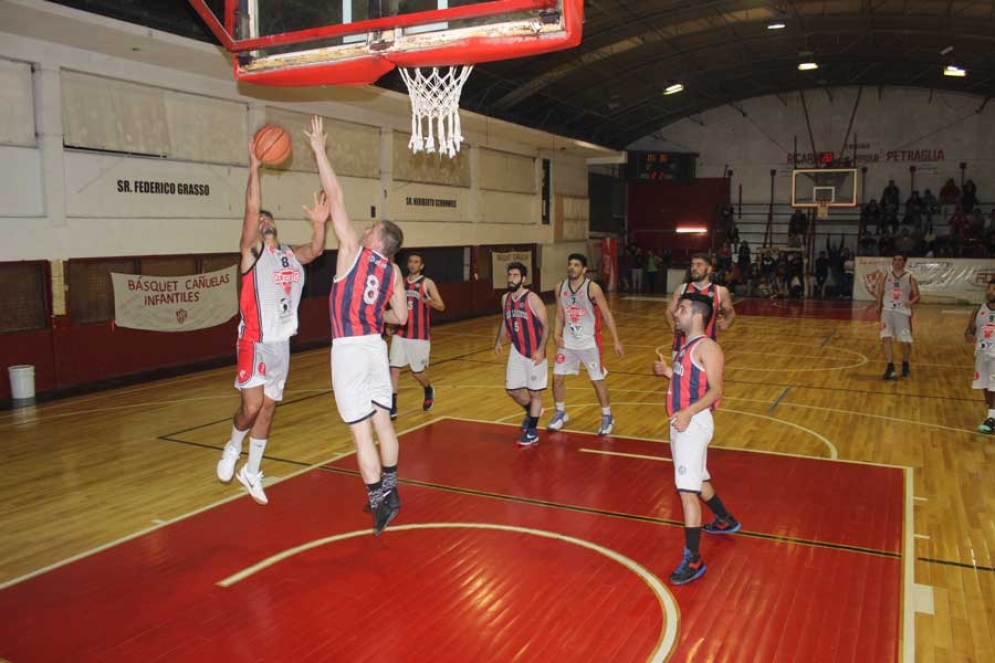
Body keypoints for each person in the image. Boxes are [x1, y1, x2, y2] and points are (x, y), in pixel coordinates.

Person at [307, 116, 409, 535]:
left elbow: (336, 194)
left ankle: (378, 502)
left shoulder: (351, 250)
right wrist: (375, 315)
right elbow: (400, 318)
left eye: (370, 228)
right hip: (375, 347)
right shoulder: (395, 274)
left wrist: (318, 150)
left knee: (360, 434)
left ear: (376, 240)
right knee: (383, 422)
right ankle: (392, 487)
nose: (363, 229)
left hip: (349, 349)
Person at [216, 131, 329, 505]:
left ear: (275, 227)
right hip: (254, 339)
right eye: (258, 220)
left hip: (281, 345)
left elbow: (316, 249)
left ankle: (253, 470)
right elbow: (251, 210)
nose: (262, 221)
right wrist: (254, 166)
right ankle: (233, 447)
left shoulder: (290, 256)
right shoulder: (252, 255)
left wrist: (319, 223)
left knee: (268, 409)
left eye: (267, 220)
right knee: (251, 407)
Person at [653, 293, 740, 586]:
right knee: (698, 479)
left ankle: (693, 558)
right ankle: (725, 519)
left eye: (683, 309)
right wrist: (668, 372)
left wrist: (689, 412)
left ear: (698, 316)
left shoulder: (709, 348)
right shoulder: (686, 346)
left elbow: (715, 391)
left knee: (686, 491)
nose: (676, 312)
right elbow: (689, 381)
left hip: (692, 422)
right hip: (683, 421)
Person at [547, 254, 624, 436]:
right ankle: (560, 412)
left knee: (597, 381)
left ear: (583, 269)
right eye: (570, 264)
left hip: (589, 343)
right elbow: (559, 314)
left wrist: (616, 340)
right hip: (567, 342)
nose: (572, 268)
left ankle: (607, 416)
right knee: (557, 378)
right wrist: (556, 333)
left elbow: (606, 314)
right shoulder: (560, 287)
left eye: (576, 265)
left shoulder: (593, 288)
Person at [494, 261, 549, 447]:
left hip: (534, 352)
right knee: (512, 390)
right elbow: (505, 321)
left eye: (515, 276)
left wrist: (541, 349)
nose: (511, 279)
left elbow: (546, 325)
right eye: (509, 275)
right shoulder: (505, 299)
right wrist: (499, 341)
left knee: (535, 393)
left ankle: (532, 431)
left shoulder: (532, 299)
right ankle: (531, 411)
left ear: (523, 279)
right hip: (516, 350)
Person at [389, 252, 446, 419]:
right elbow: (395, 305)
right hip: (401, 333)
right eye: (410, 262)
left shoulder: (427, 283)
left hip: (419, 336)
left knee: (417, 372)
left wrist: (429, 301)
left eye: (416, 262)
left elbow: (442, 306)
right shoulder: (401, 282)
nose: (413, 264)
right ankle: (392, 406)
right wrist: (391, 325)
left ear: (421, 266)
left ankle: (428, 389)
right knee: (394, 369)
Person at [668, 253, 735, 357]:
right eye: (692, 265)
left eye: (699, 265)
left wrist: (727, 322)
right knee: (678, 373)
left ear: (708, 269)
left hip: (707, 347)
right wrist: (673, 326)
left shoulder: (720, 291)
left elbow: (730, 312)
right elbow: (669, 311)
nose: (694, 268)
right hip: (681, 345)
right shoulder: (682, 288)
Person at [877, 253, 920, 380]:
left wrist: (911, 302)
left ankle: (905, 362)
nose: (897, 262)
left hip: (902, 312)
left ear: (904, 262)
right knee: (885, 337)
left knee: (905, 342)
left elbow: (917, 295)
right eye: (895, 259)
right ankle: (890, 367)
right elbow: (880, 291)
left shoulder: (910, 277)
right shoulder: (885, 276)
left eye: (900, 260)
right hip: (887, 310)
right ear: (892, 262)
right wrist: (879, 305)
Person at [966, 279, 995, 433]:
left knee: (994, 386)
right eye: (988, 289)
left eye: (993, 289)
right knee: (985, 385)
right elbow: (969, 331)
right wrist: (970, 336)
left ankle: (992, 418)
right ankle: (991, 415)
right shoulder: (978, 310)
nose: (990, 292)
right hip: (981, 354)